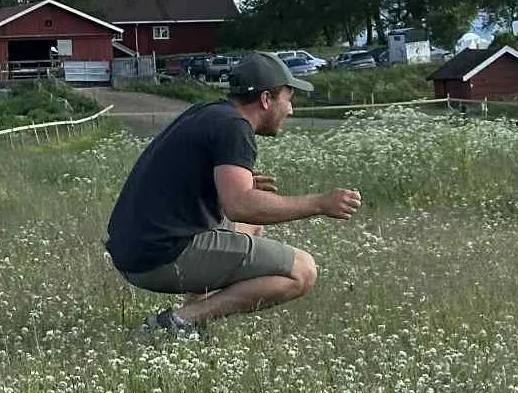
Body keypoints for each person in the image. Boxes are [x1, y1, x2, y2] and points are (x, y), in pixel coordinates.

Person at [105, 51, 360, 341]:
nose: (291, 110)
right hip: (157, 258)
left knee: (251, 229)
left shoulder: (209, 112)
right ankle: (178, 322)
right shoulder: (235, 128)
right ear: (266, 100)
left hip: (135, 250)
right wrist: (320, 203)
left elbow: (195, 183)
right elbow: (240, 206)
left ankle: (192, 325)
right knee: (302, 271)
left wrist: (235, 184)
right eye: (288, 99)